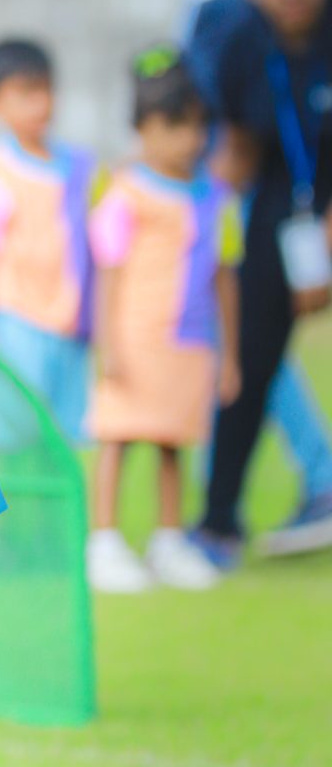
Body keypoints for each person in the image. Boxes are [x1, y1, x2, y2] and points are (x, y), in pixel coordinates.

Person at [169, 0, 332, 555]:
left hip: (294, 186)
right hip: (244, 180)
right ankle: (223, 514)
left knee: (240, 346)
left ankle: (315, 478)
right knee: (242, 341)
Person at [86, 51, 242, 593]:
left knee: (174, 440)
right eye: (176, 127)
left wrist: (231, 354)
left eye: (200, 127)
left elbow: (225, 277)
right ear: (144, 129)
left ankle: (168, 540)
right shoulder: (126, 194)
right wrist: (108, 343)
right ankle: (103, 541)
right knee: (119, 437)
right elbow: (107, 273)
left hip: (190, 343)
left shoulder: (215, 198)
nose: (190, 140)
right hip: (135, 338)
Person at [0, 38, 94, 442]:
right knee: (14, 439)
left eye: (45, 90)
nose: (40, 105)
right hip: (15, 325)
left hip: (70, 328)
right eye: (25, 94)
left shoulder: (79, 166)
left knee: (65, 444)